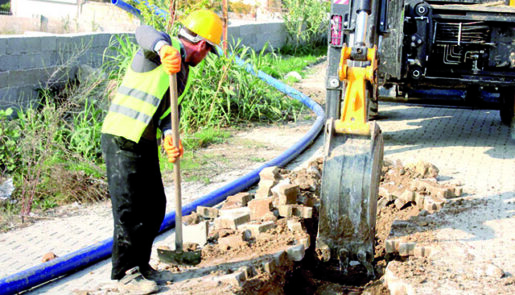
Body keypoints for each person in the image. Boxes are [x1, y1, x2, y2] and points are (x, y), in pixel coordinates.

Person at [100, 9, 223, 294]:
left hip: (143, 141)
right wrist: (162, 47)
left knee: (154, 205)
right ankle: (124, 274)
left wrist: (170, 135)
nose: (206, 58)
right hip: (121, 136)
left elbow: (168, 110)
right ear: (202, 45)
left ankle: (141, 265)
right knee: (129, 210)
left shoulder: (183, 72)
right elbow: (142, 32)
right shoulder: (161, 49)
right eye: (208, 51)